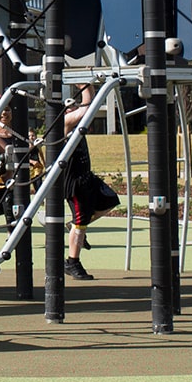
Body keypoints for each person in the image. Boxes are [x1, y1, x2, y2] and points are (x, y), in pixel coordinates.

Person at [60, 83, 120, 280]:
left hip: (87, 177)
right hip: (74, 182)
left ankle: (74, 225)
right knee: (81, 223)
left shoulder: (78, 125)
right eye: (68, 106)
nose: (72, 108)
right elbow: (88, 108)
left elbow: (87, 110)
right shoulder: (64, 123)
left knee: (110, 201)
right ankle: (72, 262)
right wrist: (86, 87)